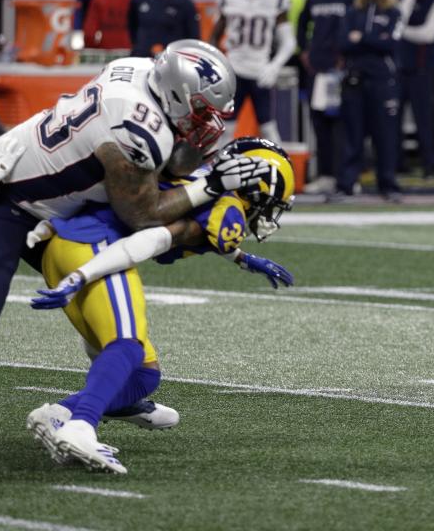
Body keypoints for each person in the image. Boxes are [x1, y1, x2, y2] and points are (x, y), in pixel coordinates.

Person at [0, 40, 271, 400]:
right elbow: (142, 216)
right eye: (200, 109)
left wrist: (198, 165)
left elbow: (166, 166)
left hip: (47, 208)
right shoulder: (140, 131)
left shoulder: (140, 72)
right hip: (0, 199)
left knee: (103, 310)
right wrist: (210, 186)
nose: (207, 120)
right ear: (176, 94)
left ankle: (106, 398)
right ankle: (95, 403)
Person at [25, 137, 295, 473]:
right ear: (255, 187)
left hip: (66, 246)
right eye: (271, 202)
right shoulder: (226, 213)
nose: (270, 212)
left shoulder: (201, 184)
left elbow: (192, 225)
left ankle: (63, 414)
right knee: (127, 347)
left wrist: (241, 258)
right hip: (92, 251)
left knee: (142, 375)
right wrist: (81, 275)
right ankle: (81, 427)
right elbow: (153, 239)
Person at [210, 0, 295, 144]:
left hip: (260, 71)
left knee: (268, 128)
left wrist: (274, 66)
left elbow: (289, 41)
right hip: (234, 70)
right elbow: (214, 37)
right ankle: (219, 172)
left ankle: (280, 170)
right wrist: (220, 64)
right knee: (225, 128)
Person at [337, 0, 402, 201]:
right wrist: (374, 39)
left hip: (383, 80)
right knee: (352, 135)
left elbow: (392, 43)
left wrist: (362, 37)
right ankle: (346, 184)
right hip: (355, 80)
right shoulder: (353, 11)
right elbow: (343, 42)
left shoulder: (394, 12)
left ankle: (388, 184)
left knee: (385, 136)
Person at [297, 0, 357, 195]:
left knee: (344, 124)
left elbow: (356, 26)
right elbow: (301, 25)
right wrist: (304, 51)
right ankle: (325, 174)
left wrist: (348, 56)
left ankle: (346, 175)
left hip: (341, 70)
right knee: (319, 123)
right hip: (318, 70)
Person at [398, 0, 434, 178]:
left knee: (424, 120)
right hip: (398, 68)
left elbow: (428, 34)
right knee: (392, 120)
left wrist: (401, 31)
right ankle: (396, 166)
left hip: (422, 69)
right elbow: (398, 21)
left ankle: (430, 166)